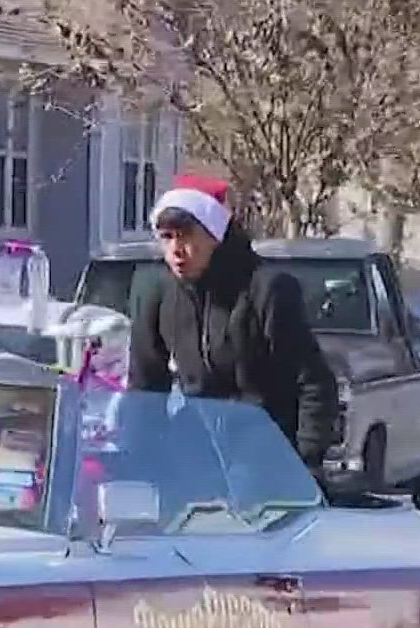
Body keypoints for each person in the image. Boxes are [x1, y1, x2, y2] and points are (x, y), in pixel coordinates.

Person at [125, 176, 342, 469]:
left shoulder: (266, 289)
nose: (176, 249)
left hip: (265, 453)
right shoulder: (156, 291)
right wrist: (143, 457)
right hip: (195, 452)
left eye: (186, 235)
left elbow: (314, 382)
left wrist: (304, 462)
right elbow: (145, 384)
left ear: (215, 235)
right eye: (167, 237)